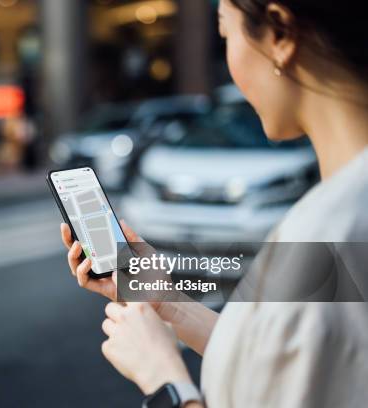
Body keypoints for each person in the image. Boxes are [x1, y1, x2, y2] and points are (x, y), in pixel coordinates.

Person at [61, 0, 368, 406]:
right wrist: (166, 303)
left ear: (278, 34)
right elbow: (286, 361)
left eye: (226, 34)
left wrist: (165, 381)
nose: (230, 59)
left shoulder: (327, 230)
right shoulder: (344, 212)